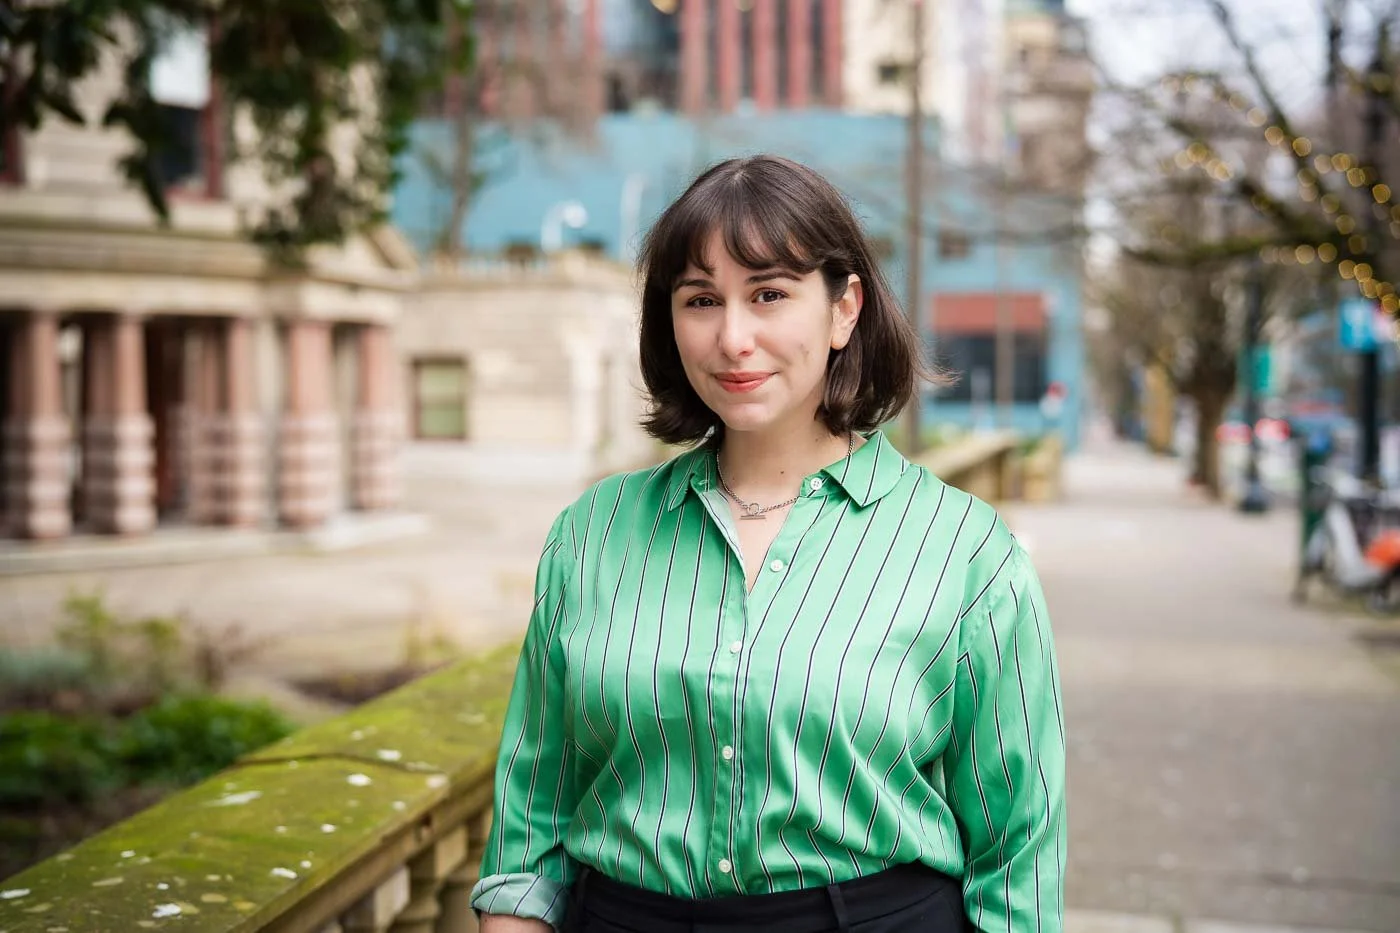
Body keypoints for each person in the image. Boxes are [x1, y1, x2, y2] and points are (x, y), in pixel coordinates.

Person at [470, 155, 1066, 933]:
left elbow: (1020, 847)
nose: (732, 338)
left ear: (844, 307)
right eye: (701, 299)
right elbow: (531, 818)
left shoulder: (966, 552)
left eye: (770, 294)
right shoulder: (593, 533)